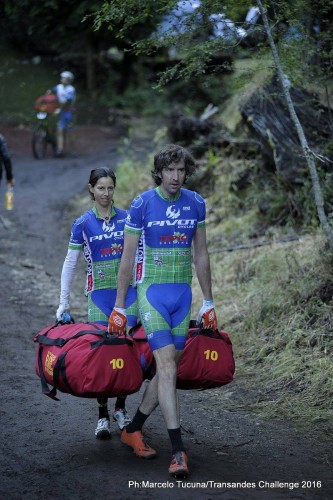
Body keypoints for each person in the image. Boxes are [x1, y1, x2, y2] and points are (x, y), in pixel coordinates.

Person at [108, 144, 218, 477]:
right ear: (159, 171)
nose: (175, 176)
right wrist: (119, 306)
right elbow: (127, 259)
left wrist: (209, 301)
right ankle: (178, 451)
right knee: (167, 365)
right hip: (152, 294)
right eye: (169, 170)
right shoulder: (142, 204)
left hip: (182, 296)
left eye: (181, 170)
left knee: (167, 369)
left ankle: (134, 427)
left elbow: (201, 254)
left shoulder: (196, 203)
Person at [56, 167, 138, 439]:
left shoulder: (128, 218)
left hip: (128, 296)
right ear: (91, 189)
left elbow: (142, 256)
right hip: (98, 297)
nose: (106, 193)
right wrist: (63, 302)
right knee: (103, 355)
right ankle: (102, 415)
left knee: (126, 352)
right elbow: (70, 263)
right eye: (101, 188)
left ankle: (121, 408)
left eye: (110, 188)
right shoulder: (82, 223)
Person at [48, 71, 76, 157]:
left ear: (69, 80)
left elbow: (68, 101)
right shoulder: (58, 87)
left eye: (65, 78)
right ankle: (60, 149)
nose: (62, 79)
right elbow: (51, 91)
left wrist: (59, 109)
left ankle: (72, 149)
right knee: (59, 130)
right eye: (62, 77)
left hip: (68, 111)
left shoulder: (71, 89)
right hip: (61, 112)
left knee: (70, 131)